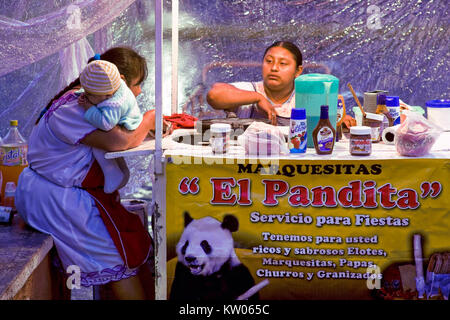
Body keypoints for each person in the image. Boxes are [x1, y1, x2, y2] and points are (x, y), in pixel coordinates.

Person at [16, 47, 156, 300]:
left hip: (55, 193)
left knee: (122, 250)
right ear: (120, 82)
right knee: (119, 263)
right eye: (137, 85)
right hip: (56, 199)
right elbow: (119, 142)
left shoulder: (90, 98)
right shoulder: (76, 106)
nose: (139, 92)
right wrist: (150, 119)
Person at [206, 41, 356, 128]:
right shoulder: (250, 91)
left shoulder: (307, 98)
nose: (274, 68)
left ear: (298, 71)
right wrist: (258, 98)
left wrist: (339, 121)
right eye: (269, 61)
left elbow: (326, 125)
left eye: (283, 63)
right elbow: (214, 94)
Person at [78, 59, 143, 193]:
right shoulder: (115, 85)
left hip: (127, 125)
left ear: (107, 95)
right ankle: (123, 172)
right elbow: (96, 91)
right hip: (128, 117)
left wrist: (89, 108)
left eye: (90, 94)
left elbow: (106, 124)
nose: (86, 96)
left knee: (100, 146)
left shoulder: (114, 103)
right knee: (112, 151)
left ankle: (113, 175)